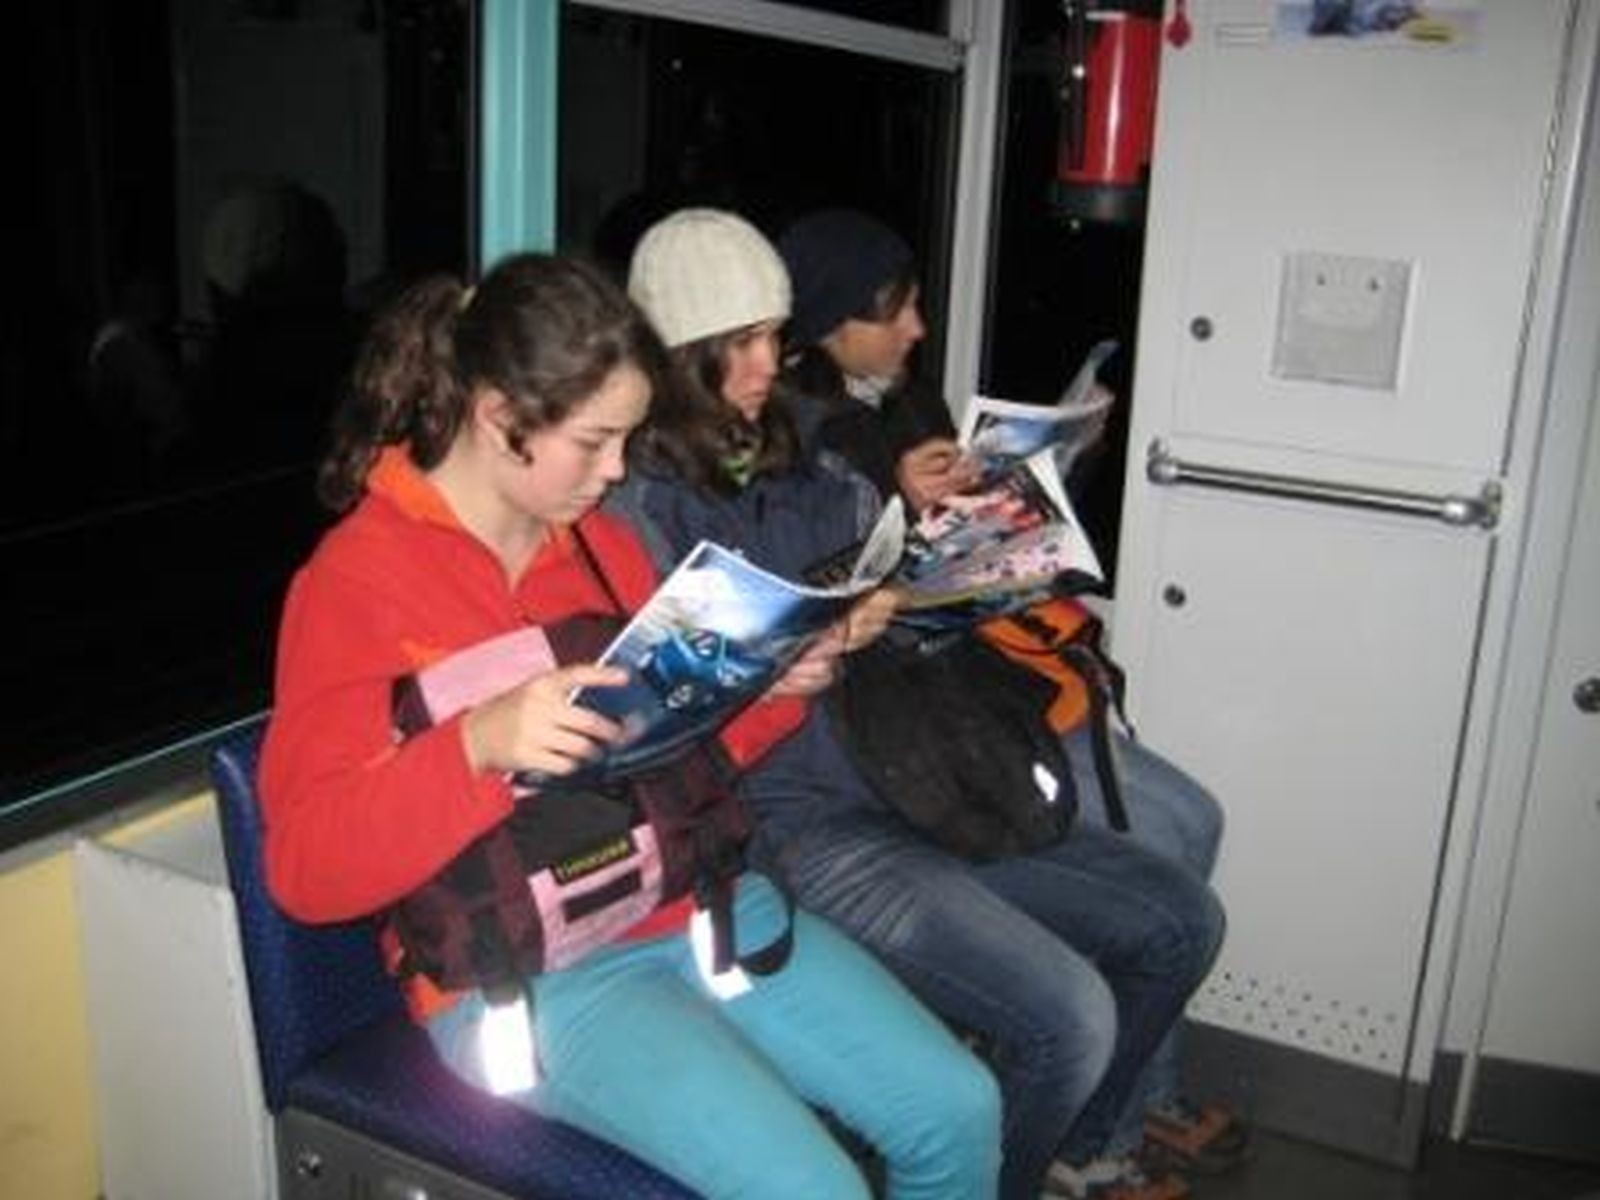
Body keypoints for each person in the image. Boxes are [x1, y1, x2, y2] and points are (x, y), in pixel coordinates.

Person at [258, 252, 1002, 1200]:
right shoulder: (354, 585)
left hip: (694, 907)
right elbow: (306, 871)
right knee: (812, 1191)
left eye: (626, 439)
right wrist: (476, 746)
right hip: (528, 974)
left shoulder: (603, 549)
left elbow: (675, 752)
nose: (615, 471)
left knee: (959, 1108)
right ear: (497, 418)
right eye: (594, 441)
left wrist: (776, 689)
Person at [611, 206, 1225, 1200]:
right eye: (743, 341)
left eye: (774, 334)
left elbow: (893, 594)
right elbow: (654, 727)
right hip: (796, 824)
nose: (770, 361)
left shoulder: (810, 455)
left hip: (917, 770)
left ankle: (1067, 1152)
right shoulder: (637, 505)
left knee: (1179, 922)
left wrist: (965, 565)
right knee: (1071, 1017)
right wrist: (778, 669)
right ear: (679, 354)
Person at [777, 207, 1245, 1178]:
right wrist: (908, 509)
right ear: (827, 321)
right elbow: (849, 610)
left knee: (1188, 851)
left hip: (979, 692)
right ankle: (1110, 1127)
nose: (917, 329)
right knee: (1162, 859)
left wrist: (1036, 484)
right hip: (917, 733)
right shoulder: (798, 444)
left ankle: (1117, 1114)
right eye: (895, 310)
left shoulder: (905, 405)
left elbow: (950, 575)